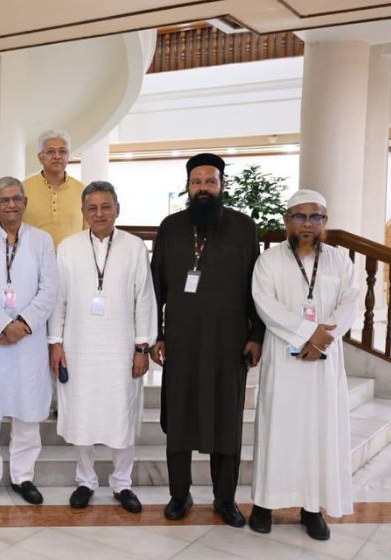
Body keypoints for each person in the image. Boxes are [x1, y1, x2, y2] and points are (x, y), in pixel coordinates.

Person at [150, 152, 265, 527]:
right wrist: (157, 334)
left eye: (210, 181)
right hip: (181, 341)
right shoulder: (171, 228)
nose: (203, 188)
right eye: (196, 182)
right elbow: (156, 287)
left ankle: (225, 499)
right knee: (180, 417)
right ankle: (179, 496)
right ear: (187, 186)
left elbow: (257, 288)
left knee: (226, 421)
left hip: (228, 343)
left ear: (221, 185)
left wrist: (256, 334)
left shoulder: (244, 227)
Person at [249, 189, 358, 540]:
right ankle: (264, 504)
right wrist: (309, 333)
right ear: (287, 220)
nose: (307, 224)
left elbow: (350, 304)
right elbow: (265, 304)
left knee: (318, 433)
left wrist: (323, 339)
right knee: (276, 432)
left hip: (323, 362)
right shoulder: (269, 261)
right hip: (284, 360)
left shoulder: (340, 262)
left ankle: (312, 509)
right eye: (300, 216)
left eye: (315, 217)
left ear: (325, 221)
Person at [48, 181, 156, 513]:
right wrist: (55, 342)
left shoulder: (134, 247)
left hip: (120, 348)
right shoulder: (68, 247)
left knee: (121, 413)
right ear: (83, 212)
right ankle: (86, 481)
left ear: (117, 210)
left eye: (106, 206)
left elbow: (144, 299)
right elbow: (58, 299)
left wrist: (142, 347)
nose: (99, 213)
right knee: (81, 412)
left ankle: (122, 483)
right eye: (92, 208)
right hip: (78, 347)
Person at [0, 176, 57, 506]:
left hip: (28, 341)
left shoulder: (42, 241)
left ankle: (23, 476)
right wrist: (3, 325)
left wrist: (22, 325)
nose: (11, 205)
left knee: (27, 411)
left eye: (17, 198)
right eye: (4, 200)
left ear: (25, 203)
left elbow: (49, 290)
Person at [22, 129, 85, 248]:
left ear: (68, 156)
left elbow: (89, 231)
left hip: (73, 257)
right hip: (33, 257)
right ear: (40, 157)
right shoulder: (23, 189)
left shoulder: (82, 190)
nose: (57, 156)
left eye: (62, 151)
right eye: (51, 152)